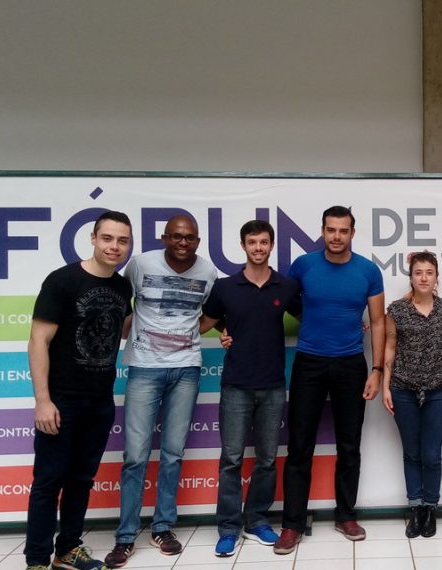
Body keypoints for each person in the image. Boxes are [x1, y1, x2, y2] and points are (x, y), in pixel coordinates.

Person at [105, 215, 218, 567]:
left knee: (172, 453)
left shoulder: (208, 272)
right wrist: (136, 333)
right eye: (177, 236)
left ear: (198, 241)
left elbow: (210, 314)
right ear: (165, 237)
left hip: (186, 369)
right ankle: (125, 537)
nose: (183, 243)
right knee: (136, 456)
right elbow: (122, 307)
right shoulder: (140, 265)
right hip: (144, 368)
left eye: (190, 238)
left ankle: (163, 527)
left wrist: (185, 335)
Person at [24, 211, 133, 570]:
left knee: (81, 480)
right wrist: (43, 400)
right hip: (61, 400)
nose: (114, 246)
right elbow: (38, 340)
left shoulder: (123, 288)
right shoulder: (63, 281)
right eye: (108, 238)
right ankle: (37, 559)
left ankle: (68, 549)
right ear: (93, 238)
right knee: (48, 481)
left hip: (100, 401)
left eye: (122, 240)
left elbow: (123, 329)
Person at [274, 205, 386, 555]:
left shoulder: (368, 271)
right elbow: (286, 302)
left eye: (343, 230)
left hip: (351, 364)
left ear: (352, 233)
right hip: (309, 362)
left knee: (349, 445)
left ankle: (346, 515)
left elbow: (378, 322)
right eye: (331, 230)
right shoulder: (303, 266)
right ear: (322, 231)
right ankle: (292, 524)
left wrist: (377, 370)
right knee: (299, 446)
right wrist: (311, 317)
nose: (337, 236)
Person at [199, 220, 301, 557]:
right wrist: (223, 332)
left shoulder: (286, 286)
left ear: (271, 245)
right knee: (231, 459)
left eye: (264, 242)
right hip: (236, 385)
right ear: (243, 246)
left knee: (267, 459)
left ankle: (256, 520)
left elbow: (312, 317)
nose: (258, 248)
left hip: (273, 385)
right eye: (252, 242)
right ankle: (228, 527)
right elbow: (204, 323)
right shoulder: (225, 287)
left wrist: (350, 323)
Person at [381, 251, 442, 538]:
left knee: (431, 454)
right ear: (411, 277)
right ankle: (416, 507)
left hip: (438, 388)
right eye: (418, 272)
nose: (423, 278)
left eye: (429, 272)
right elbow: (390, 347)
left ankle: (431, 507)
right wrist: (385, 386)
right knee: (411, 452)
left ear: (436, 277)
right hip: (403, 388)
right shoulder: (397, 310)